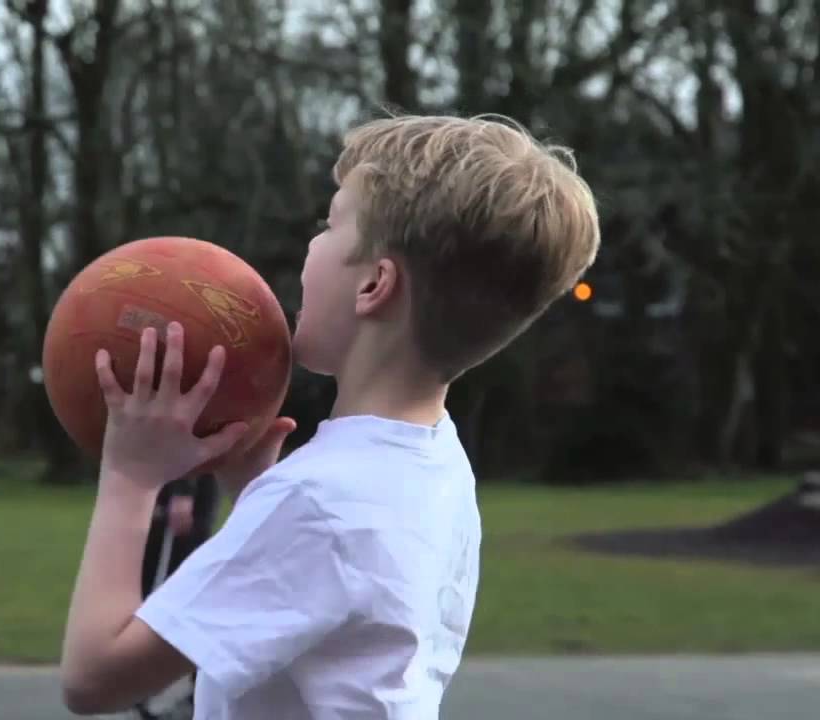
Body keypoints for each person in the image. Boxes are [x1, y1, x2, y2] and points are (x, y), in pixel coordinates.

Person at [58, 112, 601, 717]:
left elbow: (94, 676)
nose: (312, 243)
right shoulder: (439, 464)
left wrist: (131, 477)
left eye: (330, 224)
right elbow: (336, 602)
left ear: (374, 285)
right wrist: (253, 489)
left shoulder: (315, 502)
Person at [133, 474, 219, 720]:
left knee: (184, 595)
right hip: (167, 483)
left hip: (180, 487)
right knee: (158, 591)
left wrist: (184, 488)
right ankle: (141, 693)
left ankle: (194, 698)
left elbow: (196, 434)